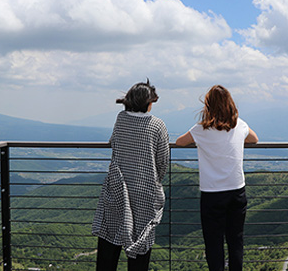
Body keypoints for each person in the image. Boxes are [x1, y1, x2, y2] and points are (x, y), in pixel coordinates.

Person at [175, 85, 258, 271]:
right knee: (236, 240)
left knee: (214, 243)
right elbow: (255, 139)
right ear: (230, 104)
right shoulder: (240, 124)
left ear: (208, 106)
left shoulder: (200, 130)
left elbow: (180, 142)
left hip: (212, 193)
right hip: (237, 190)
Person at [92, 80, 169, 271]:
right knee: (140, 251)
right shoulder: (157, 125)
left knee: (108, 245)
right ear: (147, 102)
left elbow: (115, 143)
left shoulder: (121, 118)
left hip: (117, 190)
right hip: (145, 193)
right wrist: (152, 180)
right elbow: (162, 162)